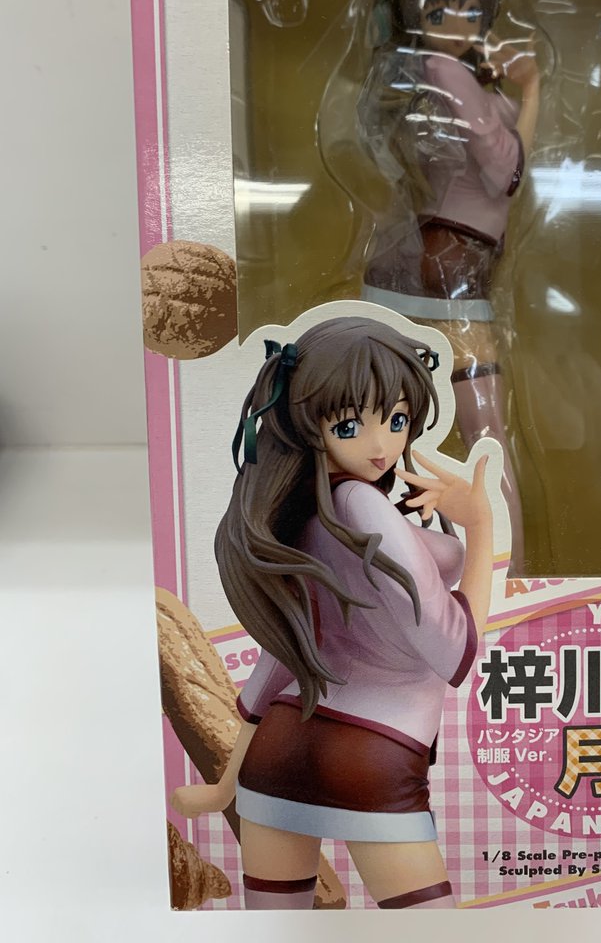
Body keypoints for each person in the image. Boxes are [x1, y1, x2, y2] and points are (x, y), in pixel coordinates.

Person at [171, 316, 493, 910]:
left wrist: (224, 787)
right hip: (371, 759)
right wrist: (481, 526)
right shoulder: (362, 506)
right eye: (349, 426)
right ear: (309, 424)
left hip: (277, 755)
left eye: (397, 421)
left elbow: (277, 666)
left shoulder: (299, 517)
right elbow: (454, 646)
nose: (381, 447)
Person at [355, 0, 541, 573]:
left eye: (469, 9)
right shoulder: (446, 71)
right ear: (414, 18)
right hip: (446, 270)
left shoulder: (439, 74)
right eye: (440, 12)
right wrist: (534, 91)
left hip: (438, 261)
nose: (459, 24)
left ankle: (426, 564)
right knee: (484, 430)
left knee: (411, 433)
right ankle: (507, 572)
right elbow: (504, 171)